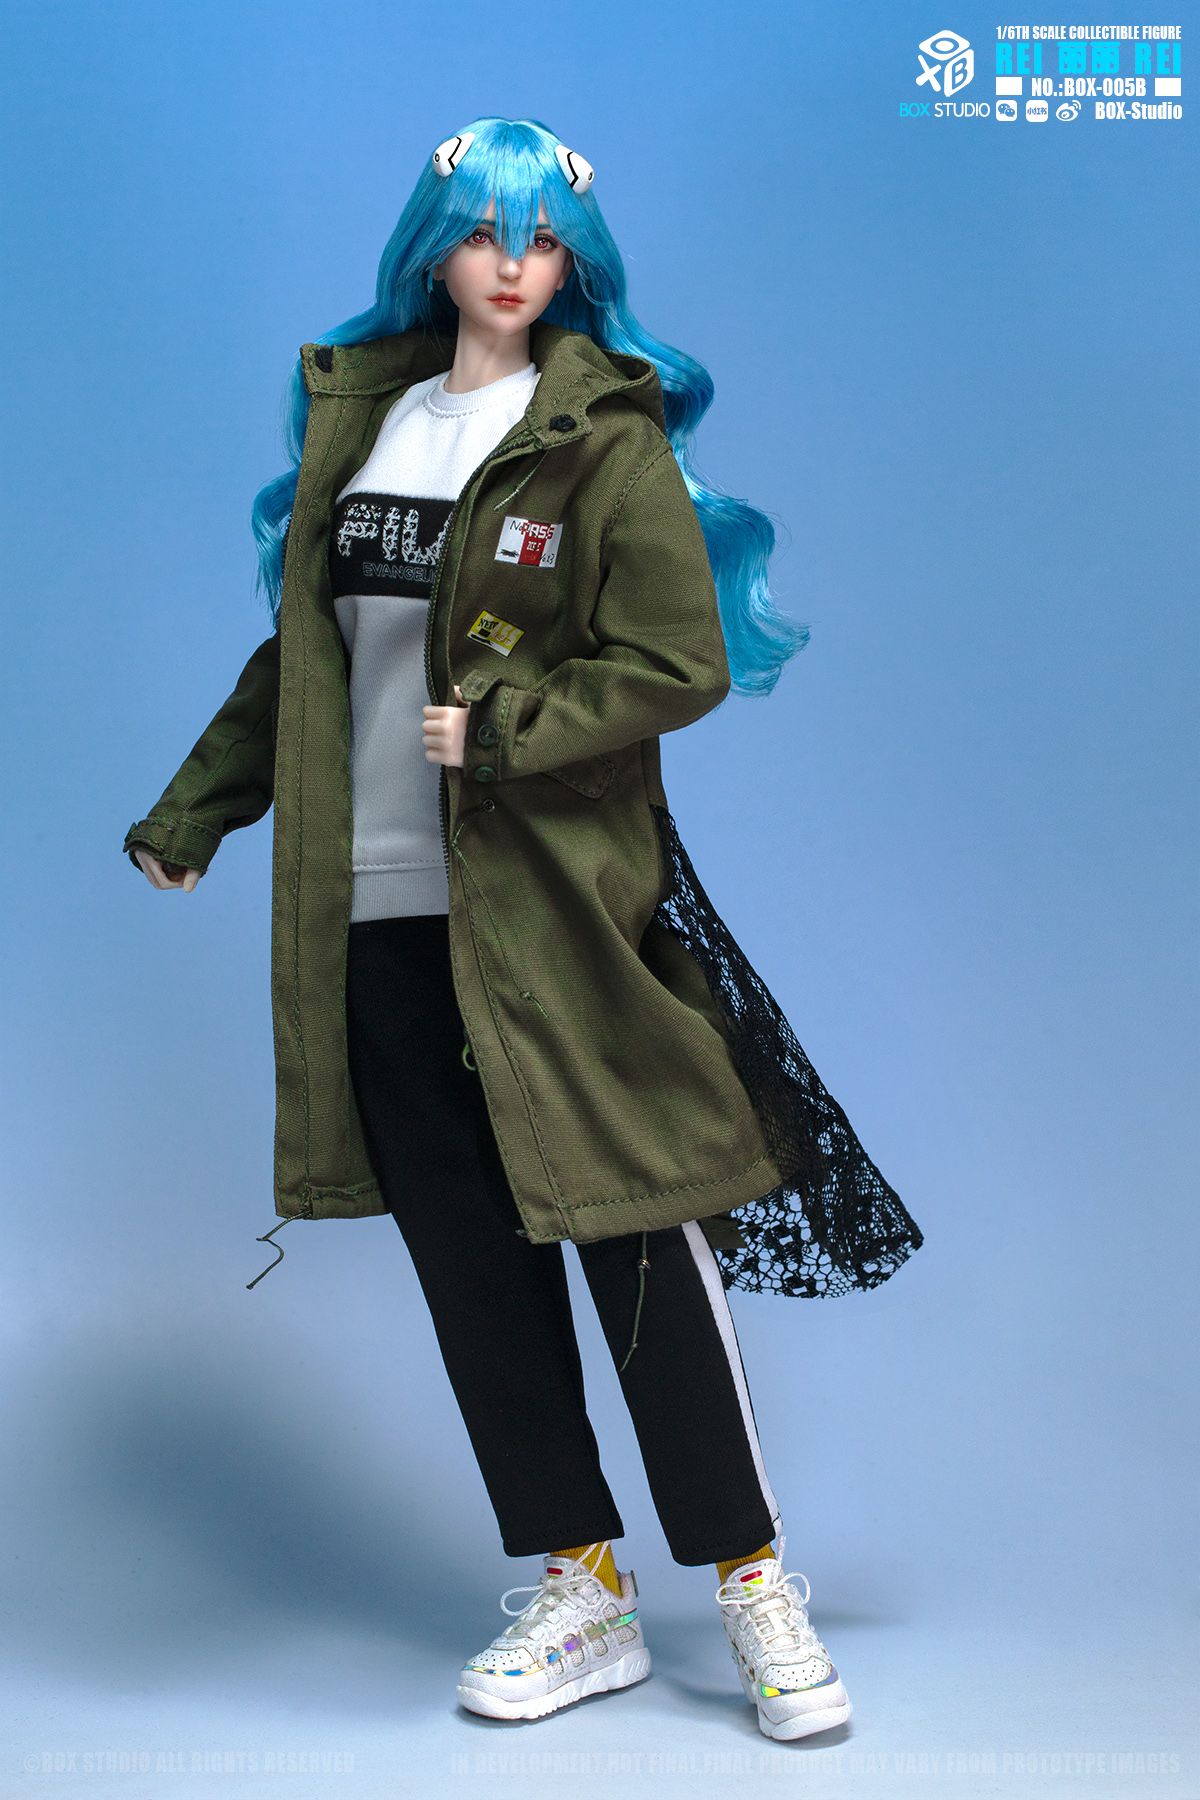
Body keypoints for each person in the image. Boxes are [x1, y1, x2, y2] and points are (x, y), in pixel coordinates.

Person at [124, 115, 922, 1740]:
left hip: (550, 915)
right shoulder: (369, 427)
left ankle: (753, 1578)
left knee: (636, 1230)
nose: (510, 263)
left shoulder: (601, 440)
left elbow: (678, 663)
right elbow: (308, 669)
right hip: (378, 918)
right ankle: (583, 1587)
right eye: (484, 232)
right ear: (435, 249)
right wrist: (195, 812)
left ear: (574, 261)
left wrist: (508, 728)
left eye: (542, 236)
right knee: (473, 1265)